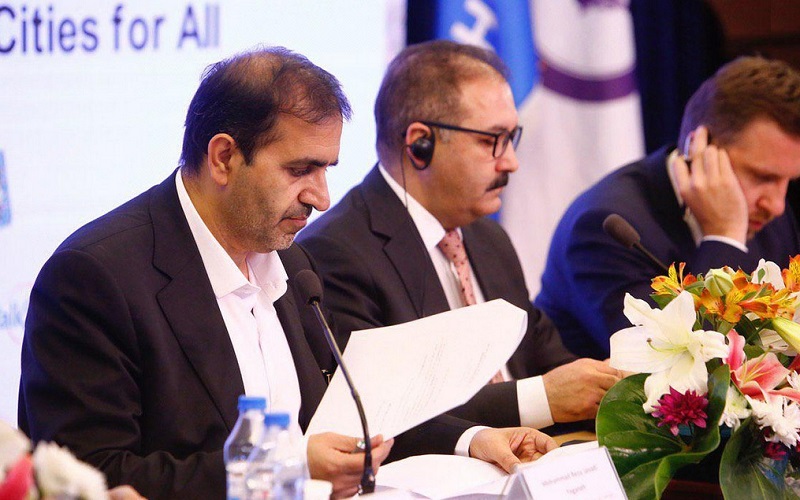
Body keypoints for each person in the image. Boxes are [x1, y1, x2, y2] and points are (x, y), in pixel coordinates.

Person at [18, 47, 557, 500]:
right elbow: (93, 477)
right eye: (300, 170)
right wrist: (287, 468)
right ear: (224, 157)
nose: (321, 198)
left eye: (326, 170)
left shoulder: (292, 263)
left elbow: (354, 409)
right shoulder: (95, 279)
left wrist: (472, 439)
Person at [298, 40, 622, 431]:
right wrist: (541, 399)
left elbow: (549, 362)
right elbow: (384, 410)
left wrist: (616, 386)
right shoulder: (335, 253)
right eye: (491, 141)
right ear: (420, 145)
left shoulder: (489, 239)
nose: (511, 162)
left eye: (511, 138)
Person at [536, 56, 800, 360]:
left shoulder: (767, 217)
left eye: (788, 181)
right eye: (762, 177)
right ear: (698, 148)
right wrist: (724, 236)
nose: (776, 205)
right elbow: (674, 360)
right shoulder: (605, 228)